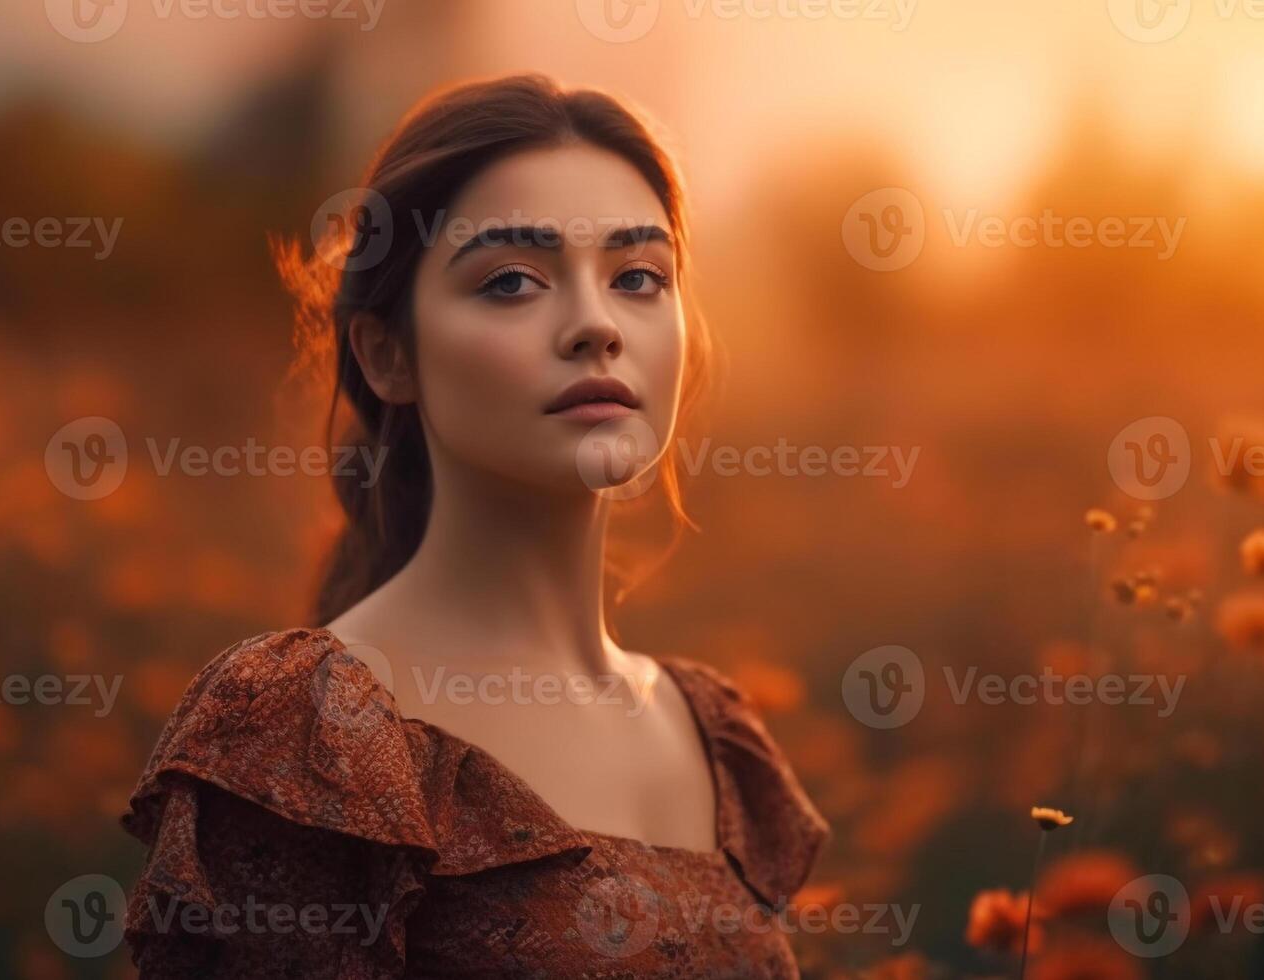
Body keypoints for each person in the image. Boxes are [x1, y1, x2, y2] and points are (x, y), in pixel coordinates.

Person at [121, 72, 828, 978]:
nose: (594, 326)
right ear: (386, 355)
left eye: (639, 277)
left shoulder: (715, 736)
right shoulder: (308, 734)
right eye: (510, 282)